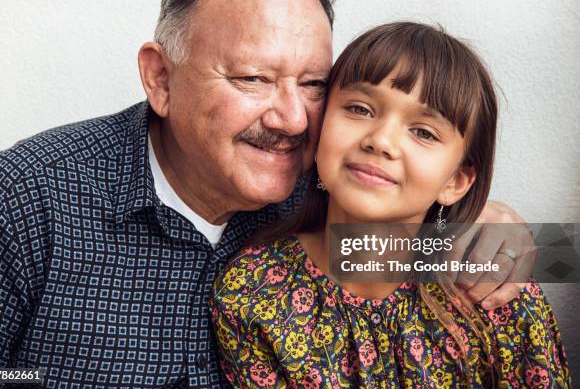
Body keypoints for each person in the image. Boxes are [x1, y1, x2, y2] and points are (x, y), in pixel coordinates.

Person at [0, 0, 534, 388]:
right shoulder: (24, 197)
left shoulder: (323, 186)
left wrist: (501, 228)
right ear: (160, 79)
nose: (291, 119)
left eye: (313, 83)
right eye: (253, 79)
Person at [211, 22, 571, 387]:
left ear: (455, 181)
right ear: (319, 128)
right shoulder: (253, 293)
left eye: (423, 132)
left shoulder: (494, 287)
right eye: (359, 109)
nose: (381, 141)